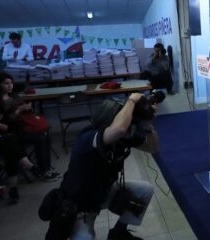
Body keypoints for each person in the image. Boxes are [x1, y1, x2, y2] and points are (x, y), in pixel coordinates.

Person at [61, 92, 162, 240]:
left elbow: (153, 148)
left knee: (144, 190)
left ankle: (119, 233)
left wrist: (147, 126)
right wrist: (132, 100)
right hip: (80, 203)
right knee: (85, 237)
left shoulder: (123, 137)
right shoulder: (89, 137)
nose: (130, 125)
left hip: (104, 191)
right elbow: (119, 129)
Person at [0, 72, 59, 181]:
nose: (10, 86)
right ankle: (43, 171)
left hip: (24, 127)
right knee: (40, 139)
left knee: (46, 136)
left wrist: (28, 108)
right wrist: (19, 110)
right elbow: (5, 121)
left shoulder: (15, 96)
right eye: (6, 83)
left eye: (11, 83)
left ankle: (47, 168)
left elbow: (26, 115)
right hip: (11, 133)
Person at [0, 82, 38, 204]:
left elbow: (2, 125)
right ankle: (29, 166)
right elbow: (0, 125)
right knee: (9, 142)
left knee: (10, 149)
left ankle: (13, 190)